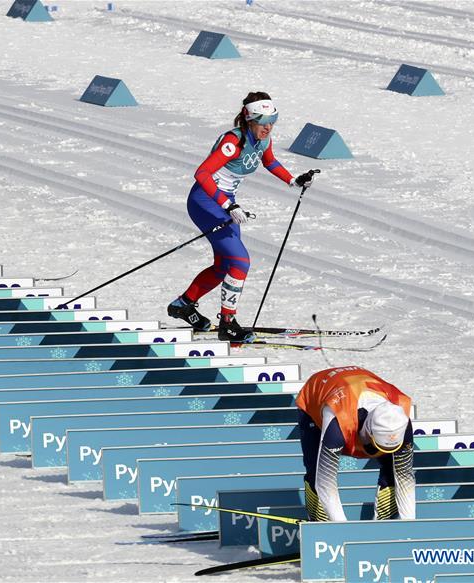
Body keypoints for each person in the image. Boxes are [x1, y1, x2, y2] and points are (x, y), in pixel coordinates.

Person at [166, 91, 316, 343]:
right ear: (249, 120)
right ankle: (228, 324)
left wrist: (293, 180)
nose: (268, 127)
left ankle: (184, 304)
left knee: (225, 265)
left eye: (272, 122)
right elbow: (201, 174)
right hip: (205, 201)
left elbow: (269, 161)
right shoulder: (233, 141)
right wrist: (228, 204)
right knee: (240, 261)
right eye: (262, 122)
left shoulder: (263, 139)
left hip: (223, 205)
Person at [295, 366, 416, 522]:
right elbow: (325, 482)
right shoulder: (337, 419)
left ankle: (386, 524)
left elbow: (405, 476)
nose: (375, 452)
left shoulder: (402, 422)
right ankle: (319, 526)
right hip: (316, 395)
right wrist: (343, 530)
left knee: (392, 468)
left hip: (359, 385)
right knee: (315, 471)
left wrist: (409, 525)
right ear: (368, 431)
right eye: (375, 446)